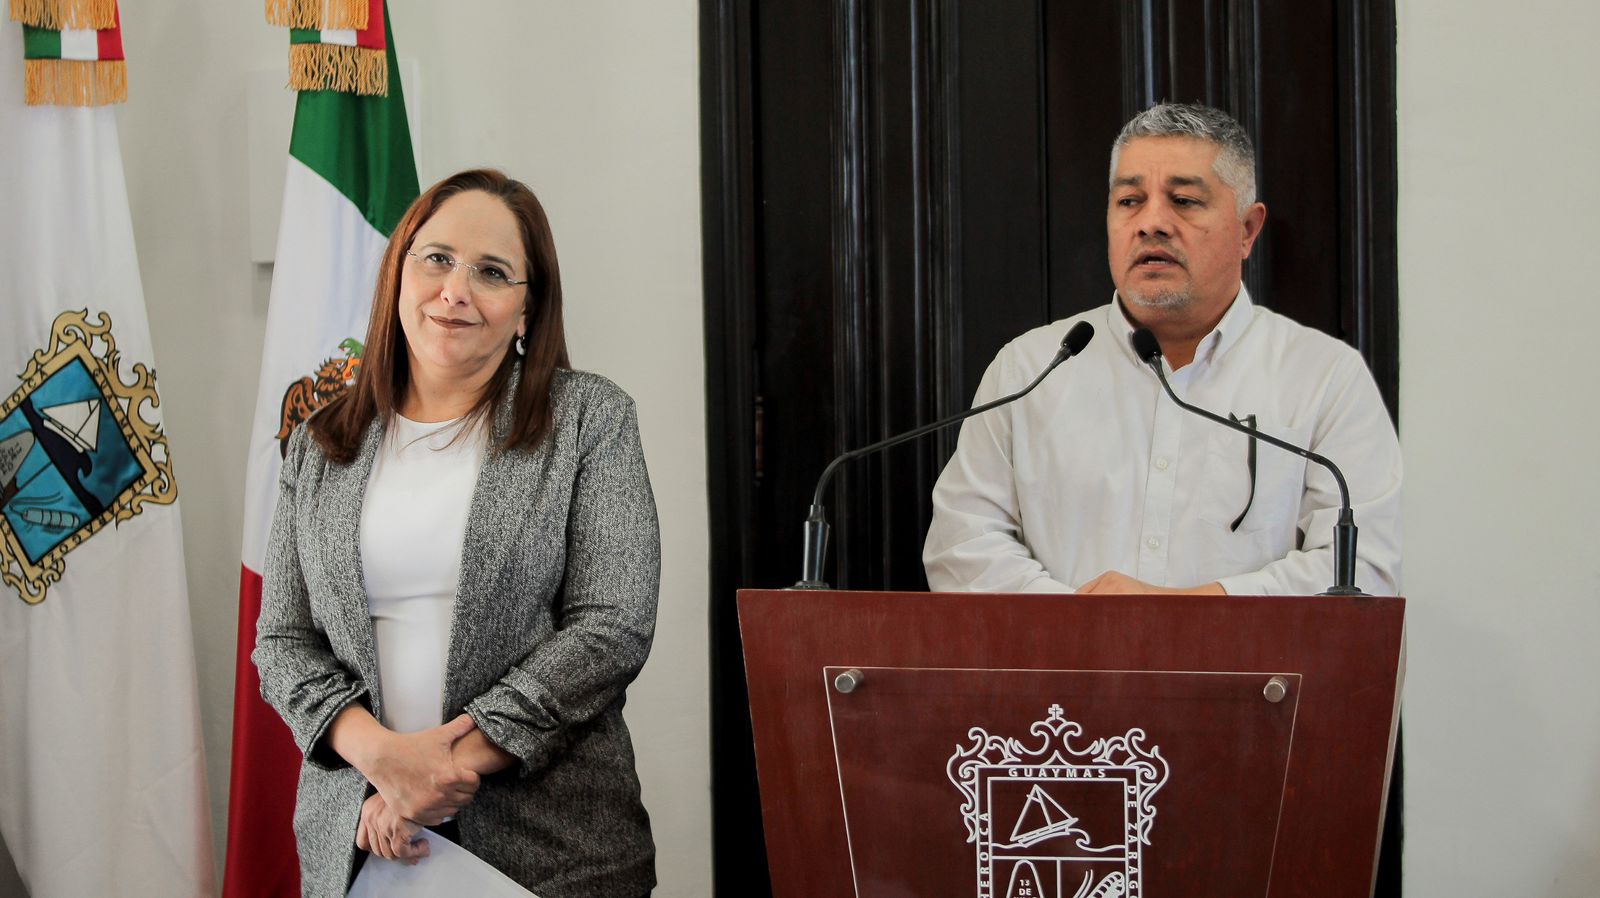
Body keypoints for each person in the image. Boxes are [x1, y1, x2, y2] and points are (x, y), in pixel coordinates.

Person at [254, 169, 660, 898]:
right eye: (437, 259)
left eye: (492, 272)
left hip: (551, 853)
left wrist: (444, 768)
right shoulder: (321, 442)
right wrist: (382, 760)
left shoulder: (589, 420)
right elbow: (282, 641)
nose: (455, 291)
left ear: (528, 309)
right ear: (398, 273)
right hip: (362, 843)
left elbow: (611, 628)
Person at [923, 103, 1401, 596]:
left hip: (1237, 654)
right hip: (1059, 650)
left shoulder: (1324, 376)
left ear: (1247, 230)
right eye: (1129, 200)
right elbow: (962, 547)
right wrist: (1084, 625)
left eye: (1185, 201)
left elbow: (1362, 571)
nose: (1151, 223)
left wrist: (1187, 614)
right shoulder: (1029, 370)